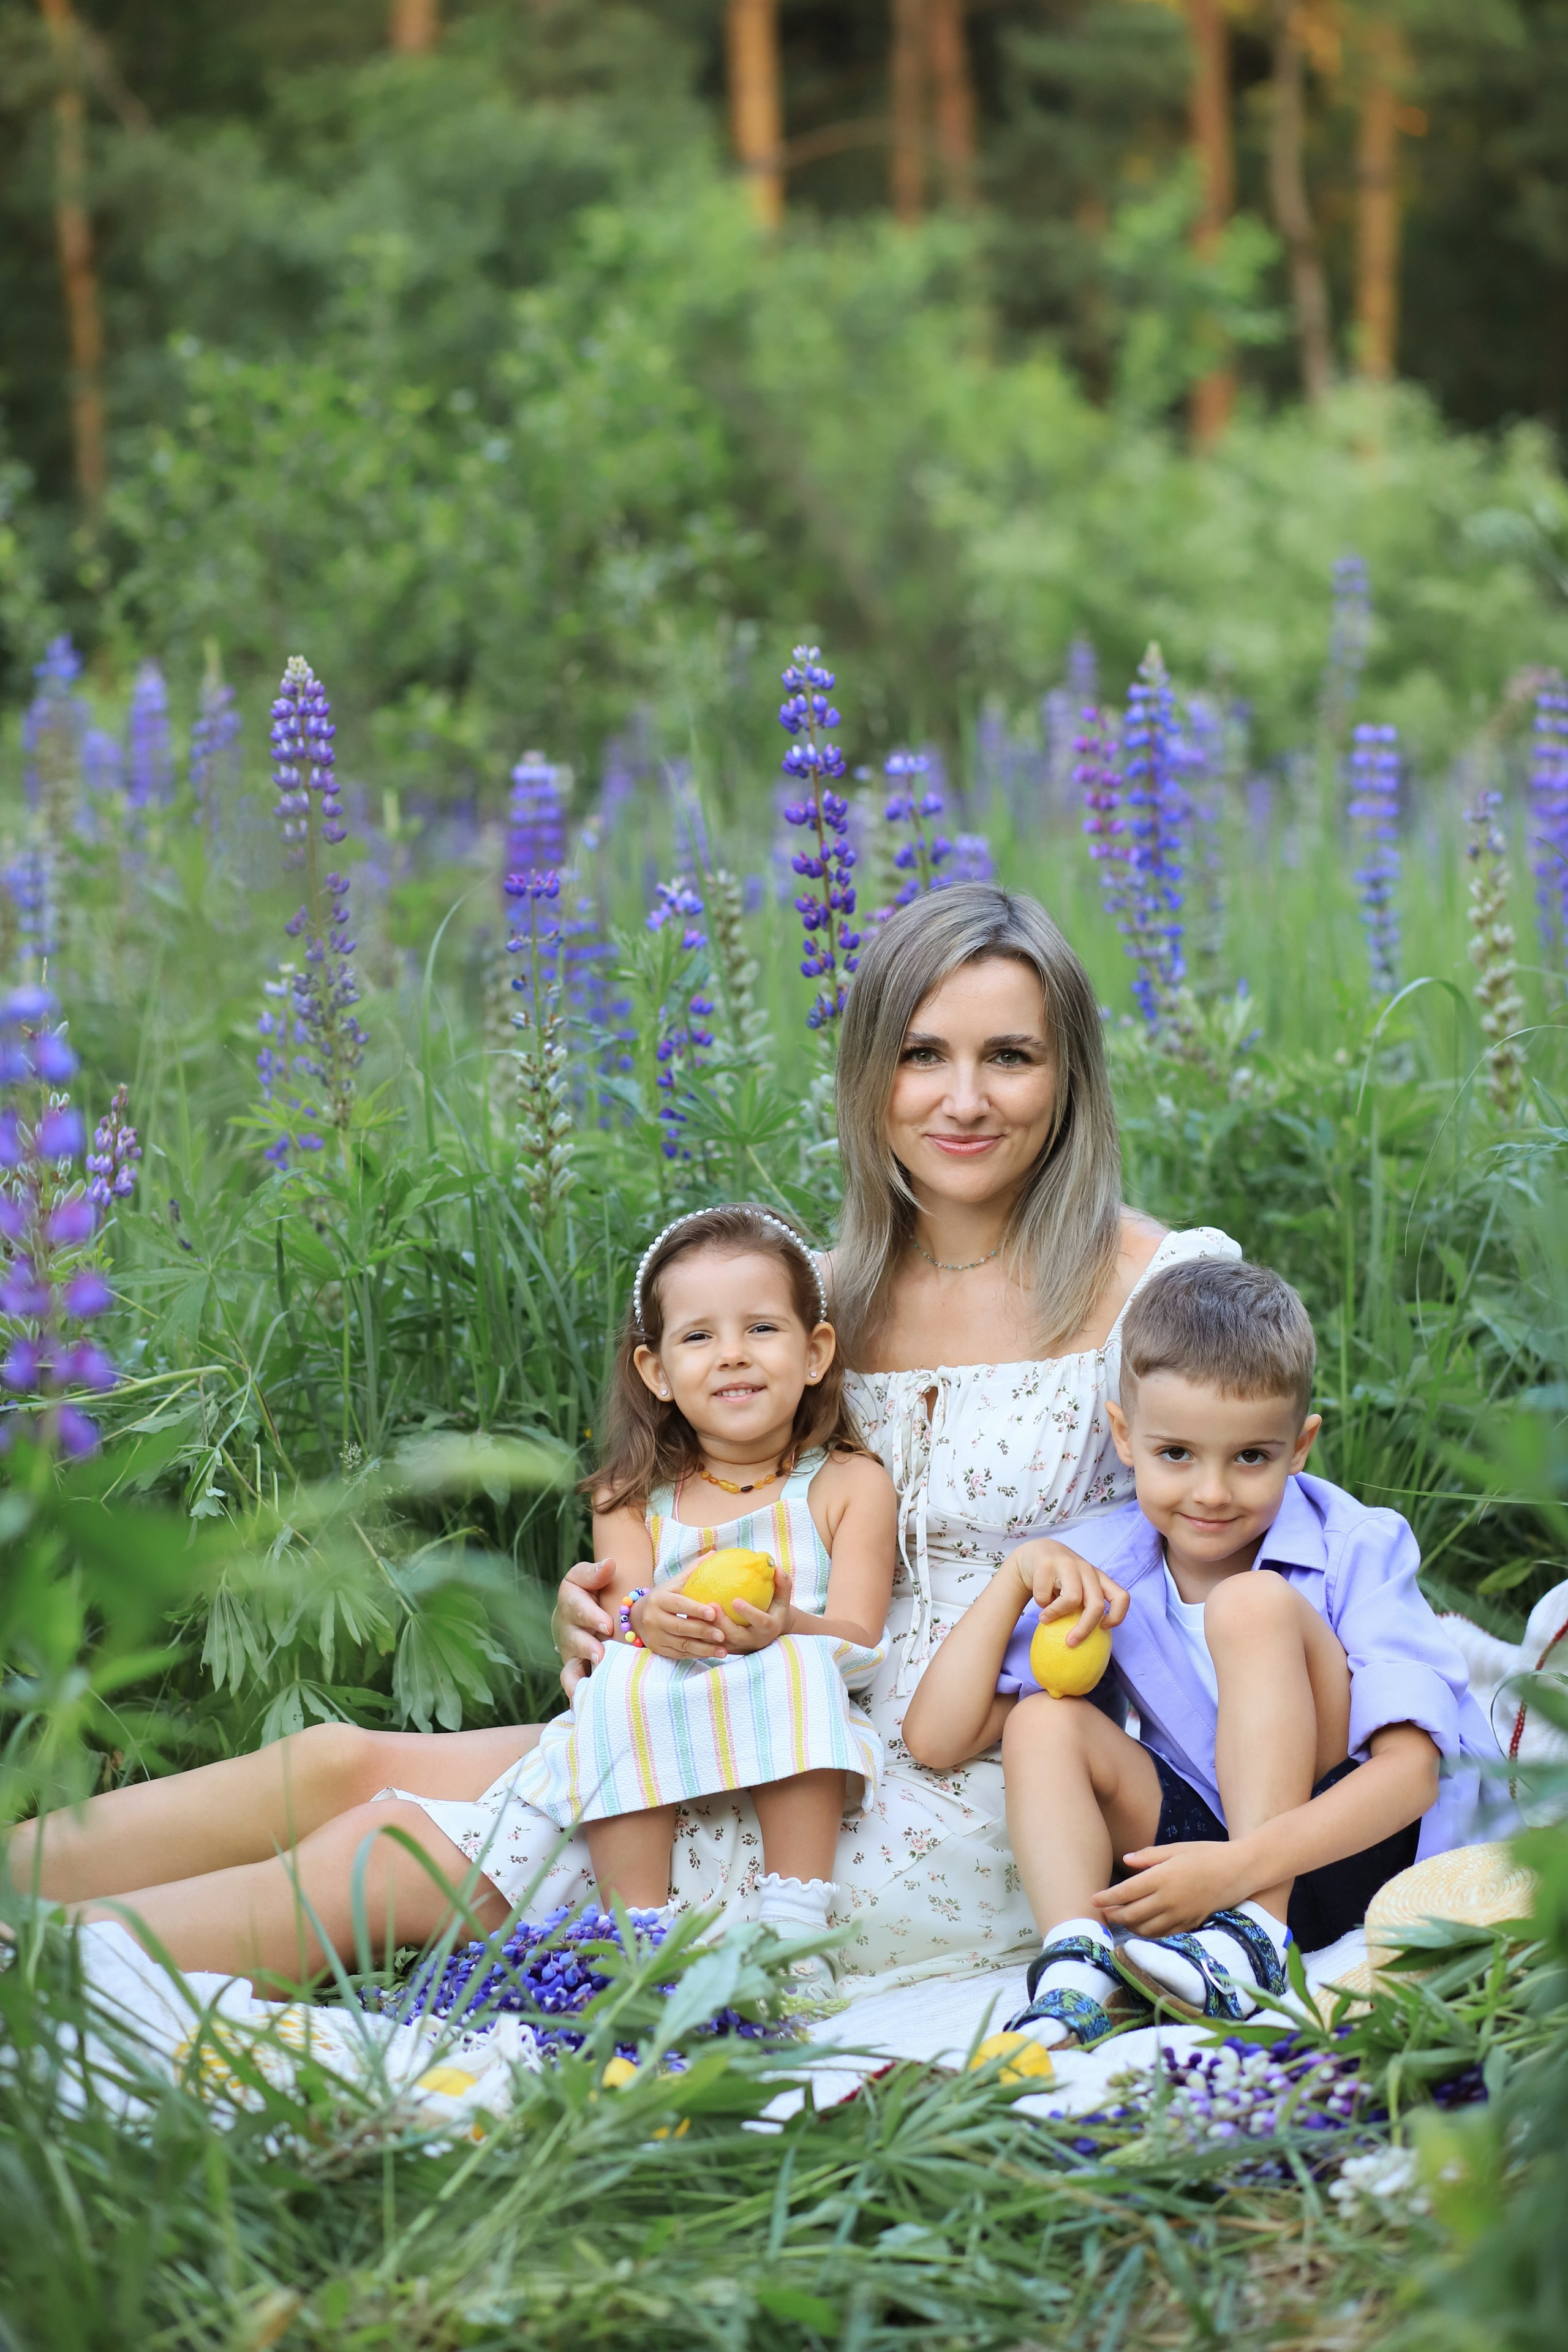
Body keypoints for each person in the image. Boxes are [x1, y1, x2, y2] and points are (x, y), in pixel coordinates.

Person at [13, 884, 1238, 1988]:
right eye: (921, 1054)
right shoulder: (806, 1299)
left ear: (1067, 1073)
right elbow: (699, 1500)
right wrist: (606, 1605)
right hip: (740, 1688)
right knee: (341, 1759)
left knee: (392, 1857)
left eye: (1008, 1056)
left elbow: (1259, 1577)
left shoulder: (1158, 1289)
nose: (961, 1099)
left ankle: (43, 1990)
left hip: (965, 1776)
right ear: (868, 1075)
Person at [901, 1256, 1498, 2046]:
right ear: (1124, 1436)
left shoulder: (1356, 1542)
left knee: (1247, 1604)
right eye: (1175, 1454)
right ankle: (1079, 1964)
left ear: (1300, 1446)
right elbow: (936, 1739)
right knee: (1041, 1720)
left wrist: (1244, 1872)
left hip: (1358, 1845)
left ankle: (1259, 1938)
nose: (1211, 1493)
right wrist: (1017, 1574)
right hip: (1209, 1862)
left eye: (1250, 1456)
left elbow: (1411, 1774)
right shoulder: (1106, 1566)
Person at [507, 1202, 895, 1977]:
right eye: (697, 1336)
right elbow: (618, 1617)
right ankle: (638, 1934)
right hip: (672, 1683)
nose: (731, 1356)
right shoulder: (630, 1494)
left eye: (760, 1329)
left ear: (815, 1352)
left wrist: (787, 1625)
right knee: (618, 1678)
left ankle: (792, 1922)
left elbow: (858, 1637)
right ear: (655, 1371)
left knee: (793, 1665)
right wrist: (643, 1616)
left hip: (787, 1680)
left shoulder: (849, 1483)